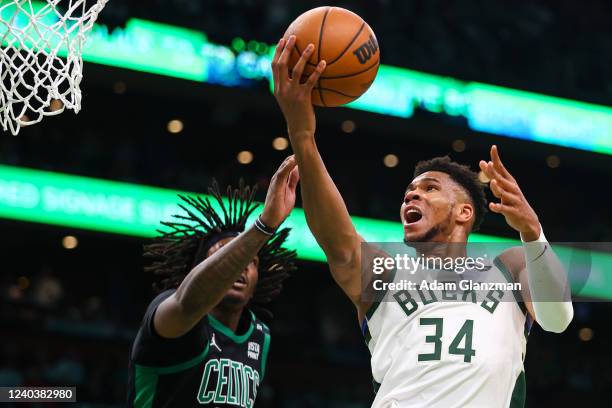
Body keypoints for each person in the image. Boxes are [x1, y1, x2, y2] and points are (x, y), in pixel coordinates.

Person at [271, 35, 573, 408]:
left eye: (429, 188)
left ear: (465, 212)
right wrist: (302, 135)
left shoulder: (509, 265)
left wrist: (533, 232)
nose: (411, 196)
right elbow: (338, 238)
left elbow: (559, 318)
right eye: (409, 192)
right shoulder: (386, 272)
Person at [127, 157, 299, 407]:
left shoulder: (261, 337)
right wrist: (264, 226)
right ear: (200, 270)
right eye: (223, 256)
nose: (242, 265)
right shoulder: (171, 313)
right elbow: (188, 303)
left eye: (251, 261)